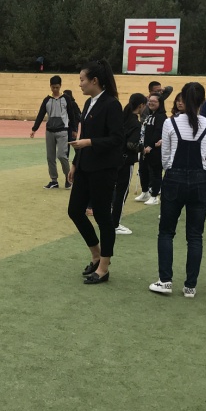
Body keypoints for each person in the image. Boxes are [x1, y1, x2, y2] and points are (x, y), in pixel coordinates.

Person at [148, 82, 206, 298]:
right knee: (195, 236)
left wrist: (172, 173)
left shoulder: (170, 123)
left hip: (174, 179)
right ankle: (190, 286)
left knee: (166, 232)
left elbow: (165, 158)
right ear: (202, 101)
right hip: (201, 182)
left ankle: (165, 281)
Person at [67, 59, 124, 285]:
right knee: (75, 211)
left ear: (95, 81)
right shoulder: (88, 103)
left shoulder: (112, 104)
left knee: (102, 217)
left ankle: (104, 267)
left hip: (103, 169)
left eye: (82, 79)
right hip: (84, 166)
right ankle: (96, 254)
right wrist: (75, 163)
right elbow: (83, 136)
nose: (80, 84)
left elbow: (117, 139)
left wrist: (89, 142)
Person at [30, 75, 74, 189]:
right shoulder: (47, 100)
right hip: (49, 131)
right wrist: (34, 129)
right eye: (53, 87)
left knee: (62, 155)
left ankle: (69, 178)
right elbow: (41, 114)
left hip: (62, 131)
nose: (55, 89)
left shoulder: (66, 98)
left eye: (57, 87)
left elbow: (71, 114)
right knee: (50, 157)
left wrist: (74, 129)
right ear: (50, 86)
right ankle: (54, 180)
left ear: (60, 86)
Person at [111, 93, 146, 235]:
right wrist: (142, 148)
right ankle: (115, 224)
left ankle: (110, 221)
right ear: (141, 106)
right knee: (122, 192)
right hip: (126, 161)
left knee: (113, 190)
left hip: (114, 158)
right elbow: (132, 144)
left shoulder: (121, 117)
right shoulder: (135, 123)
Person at [135, 92, 166, 205]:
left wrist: (151, 146)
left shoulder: (161, 117)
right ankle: (145, 192)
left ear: (160, 103)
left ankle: (154, 196)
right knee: (143, 171)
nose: (151, 103)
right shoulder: (150, 115)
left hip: (154, 150)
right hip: (144, 149)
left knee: (155, 172)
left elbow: (158, 132)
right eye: (150, 101)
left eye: (154, 101)